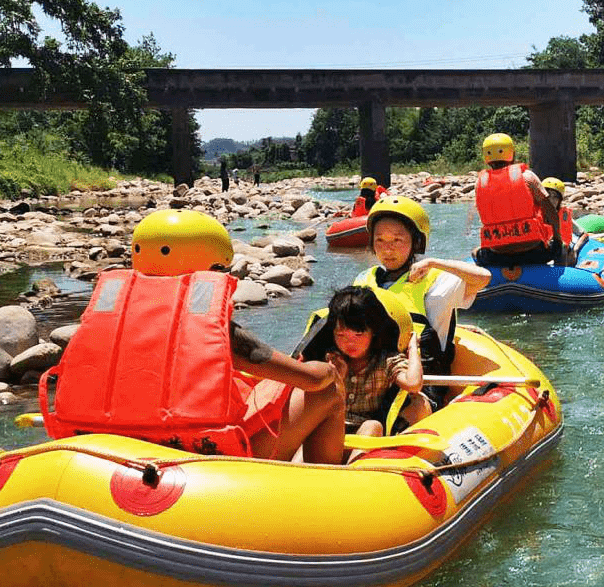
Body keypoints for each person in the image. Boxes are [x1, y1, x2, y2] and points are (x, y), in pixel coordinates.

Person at [43, 210, 346, 465]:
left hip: (109, 451)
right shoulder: (222, 333)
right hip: (197, 455)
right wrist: (330, 371)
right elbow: (309, 380)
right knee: (327, 393)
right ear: (213, 267)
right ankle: (324, 489)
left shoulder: (105, 319)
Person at [354, 196, 490, 408]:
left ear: (416, 242)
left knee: (412, 406)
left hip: (421, 384)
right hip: (370, 381)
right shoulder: (364, 279)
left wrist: (435, 262)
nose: (387, 249)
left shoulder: (434, 279)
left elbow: (483, 278)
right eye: (380, 240)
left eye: (397, 240)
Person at [321, 286, 428, 447]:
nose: (350, 343)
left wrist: (413, 348)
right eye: (341, 335)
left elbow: (413, 384)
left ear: (373, 332)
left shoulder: (385, 361)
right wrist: (337, 378)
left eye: (358, 335)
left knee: (373, 425)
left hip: (366, 434)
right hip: (332, 429)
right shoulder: (329, 359)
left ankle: (353, 470)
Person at [472, 133, 565, 268]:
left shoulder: (480, 183)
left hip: (497, 256)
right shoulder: (527, 177)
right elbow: (551, 212)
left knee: (475, 252)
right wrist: (557, 239)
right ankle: (560, 280)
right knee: (559, 247)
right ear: (512, 154)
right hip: (533, 253)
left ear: (486, 157)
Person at [541, 177, 580, 265]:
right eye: (548, 196)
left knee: (562, 246)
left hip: (560, 251)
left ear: (559, 201)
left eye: (555, 197)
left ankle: (562, 273)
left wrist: (575, 250)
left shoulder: (564, 215)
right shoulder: (535, 215)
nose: (551, 200)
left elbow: (583, 235)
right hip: (542, 251)